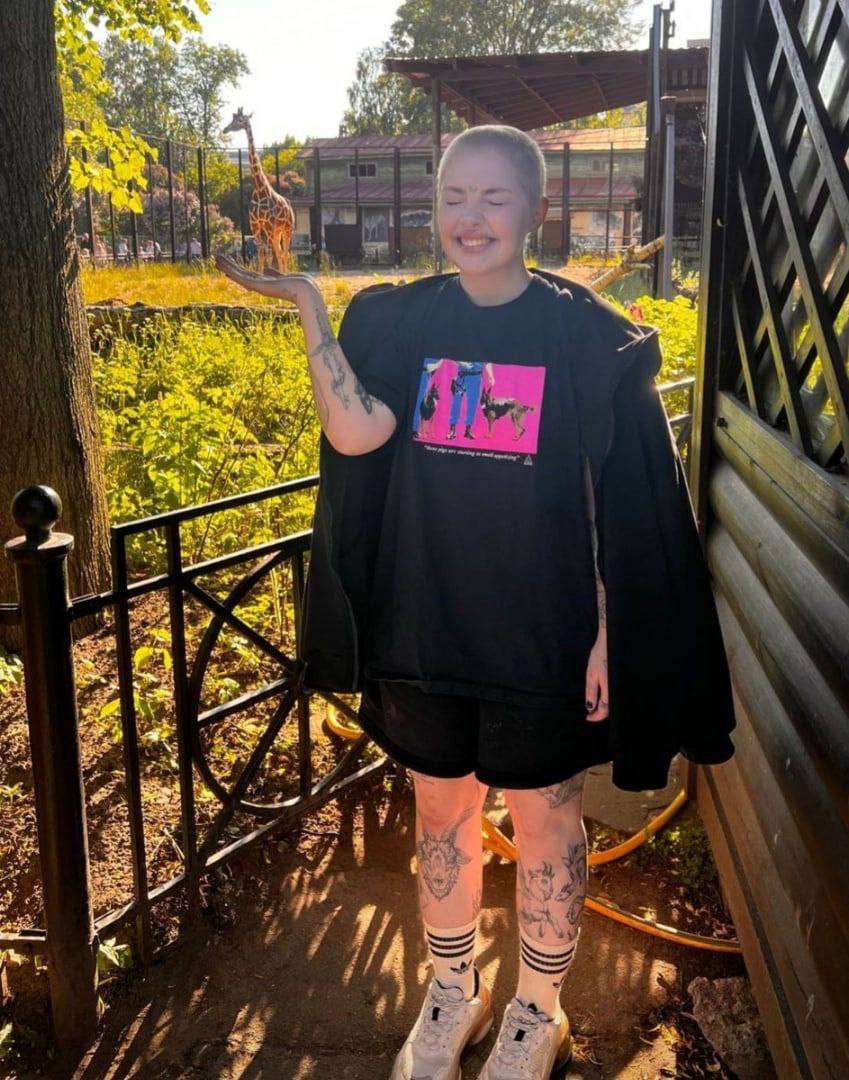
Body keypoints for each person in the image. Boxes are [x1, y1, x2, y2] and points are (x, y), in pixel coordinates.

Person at [214, 124, 736, 1080]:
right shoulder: (399, 322)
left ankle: (538, 1010)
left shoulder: (588, 337)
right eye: (454, 196)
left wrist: (609, 633)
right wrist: (310, 307)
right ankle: (451, 993)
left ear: (535, 208)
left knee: (546, 821)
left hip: (544, 636)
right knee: (441, 816)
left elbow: (629, 503)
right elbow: (358, 435)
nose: (470, 217)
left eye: (493, 197)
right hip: (424, 626)